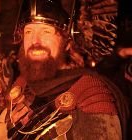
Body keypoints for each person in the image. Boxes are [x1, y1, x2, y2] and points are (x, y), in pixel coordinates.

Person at [7, 0, 129, 140]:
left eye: (46, 31)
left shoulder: (90, 95)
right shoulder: (21, 86)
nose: (35, 41)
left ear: (67, 43)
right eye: (28, 31)